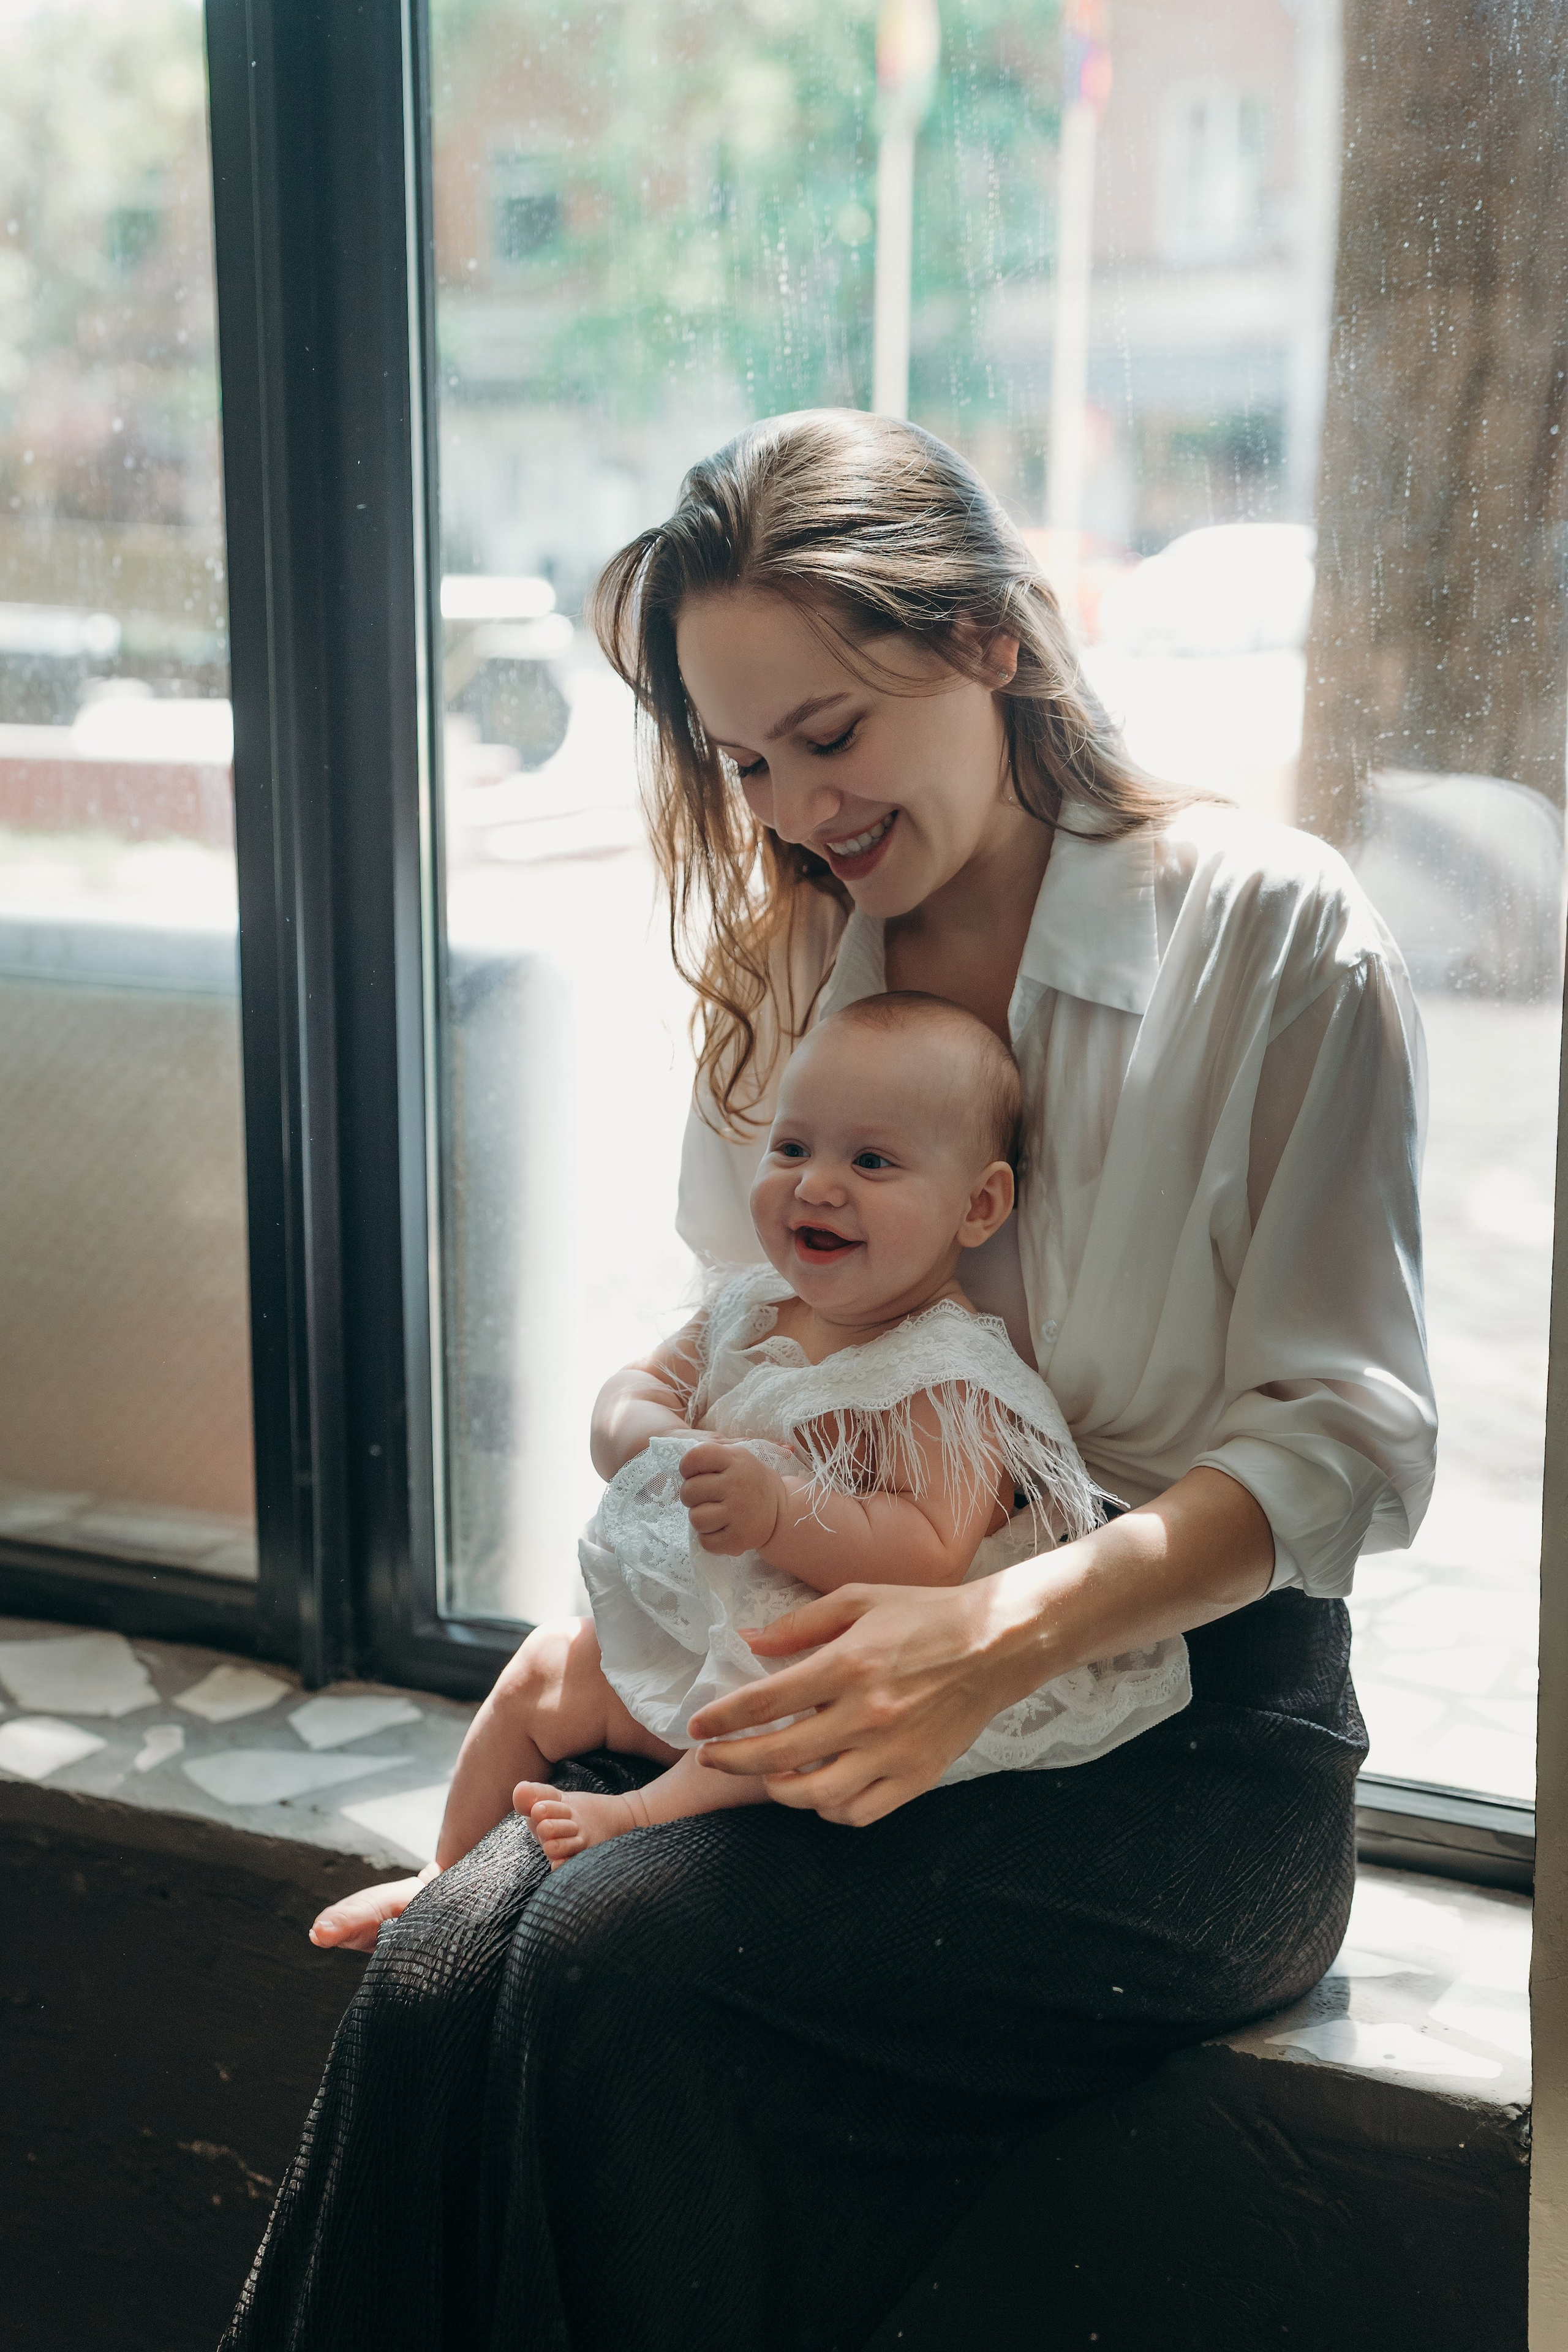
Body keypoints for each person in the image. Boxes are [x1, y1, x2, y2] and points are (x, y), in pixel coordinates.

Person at [222, 410, 1435, 2352]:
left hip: (1181, 1742)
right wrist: (628, 1624)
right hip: (805, 1667)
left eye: (833, 734)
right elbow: (743, 1359)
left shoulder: (1272, 939)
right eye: (742, 758)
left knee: (615, 1977)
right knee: (448, 1974)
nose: (792, 807)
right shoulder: (791, 962)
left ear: (994, 646)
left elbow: (1347, 1446)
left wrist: (996, 1627)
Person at [312, 995, 1188, 1931]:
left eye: (872, 1161)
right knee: (539, 1668)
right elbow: (627, 1397)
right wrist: (656, 1440)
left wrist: (781, 1510)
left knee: (796, 1728)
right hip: (697, 1638)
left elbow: (931, 1551)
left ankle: (640, 1814)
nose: (816, 1185)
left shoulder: (947, 1375)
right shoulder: (753, 1308)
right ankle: (440, 1877)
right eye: (793, 1148)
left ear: (979, 1206)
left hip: (825, 1670)